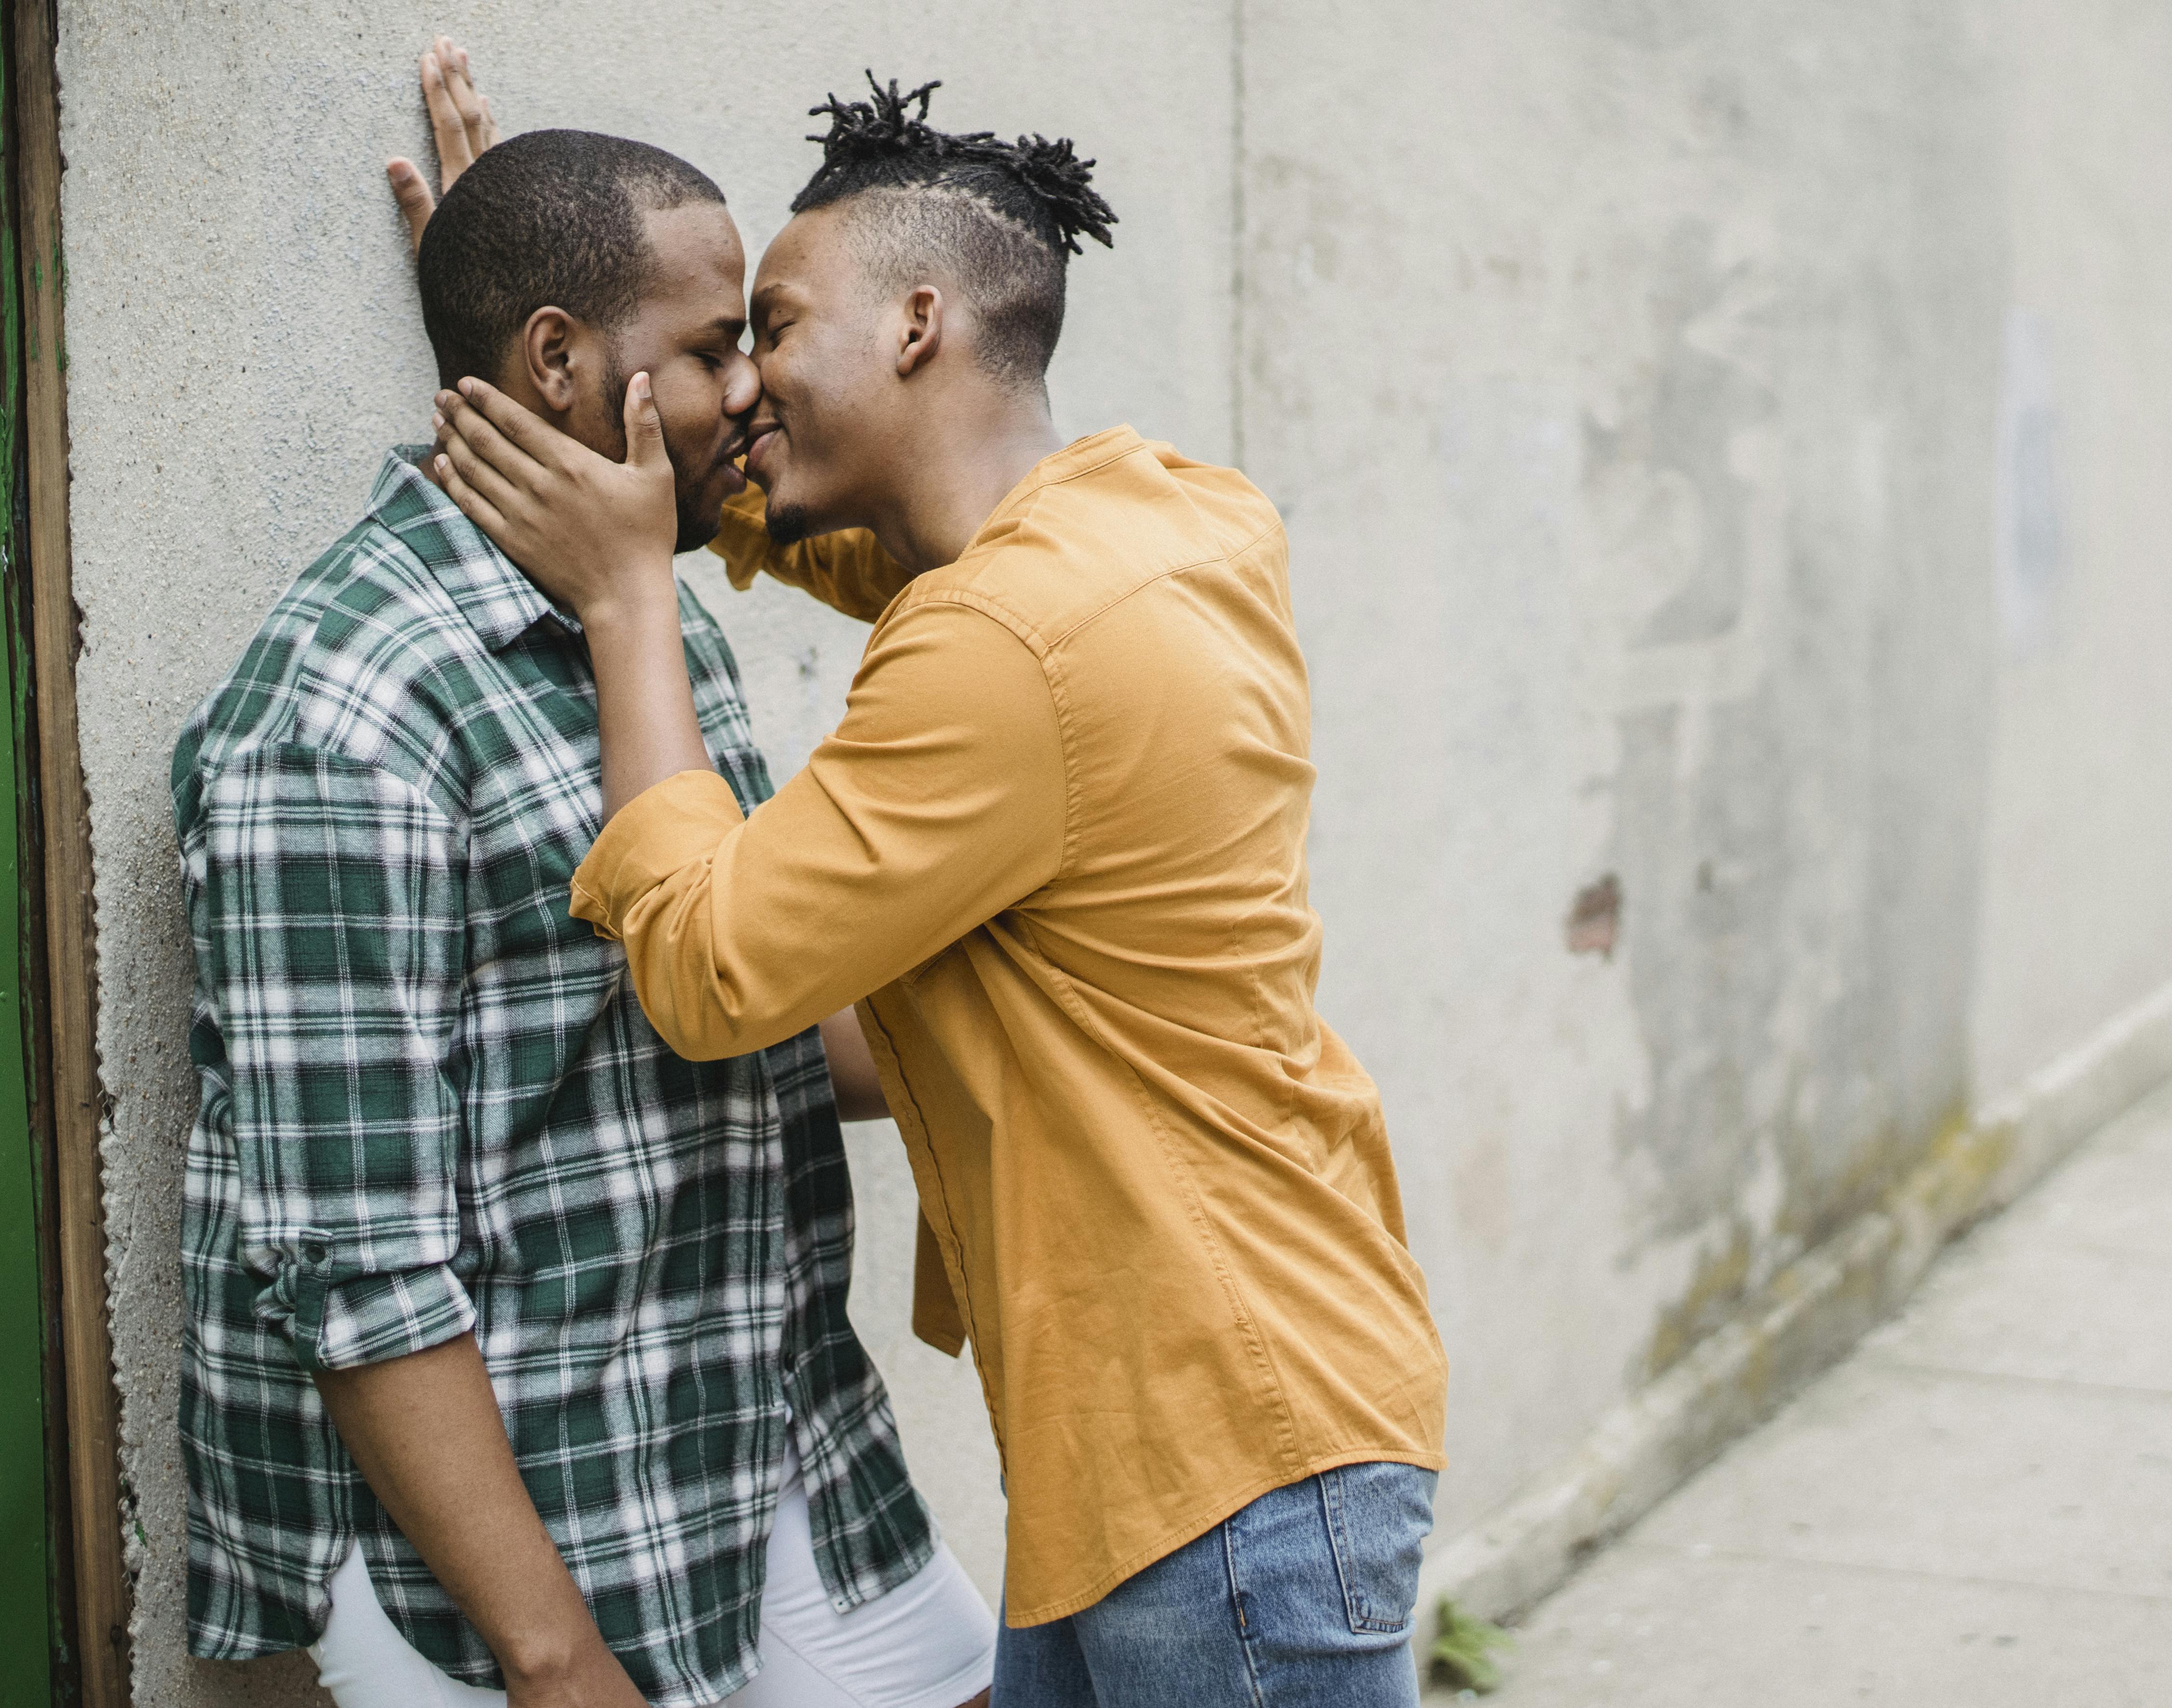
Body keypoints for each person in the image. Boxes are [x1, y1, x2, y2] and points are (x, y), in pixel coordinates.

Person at [425, 70, 1451, 1708]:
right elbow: (821, 530)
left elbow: (708, 967)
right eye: (718, 352)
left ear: (916, 322)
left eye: (771, 325)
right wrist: (556, 349)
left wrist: (627, 599)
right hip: (1192, 1443)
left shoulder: (1004, 650)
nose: (745, 380)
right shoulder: (1152, 523)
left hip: (1223, 1463)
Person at [175, 76, 996, 1708]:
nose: (753, 391)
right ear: (558, 362)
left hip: (756, 1433)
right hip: (500, 1549)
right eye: (710, 348)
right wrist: (549, 1657)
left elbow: (757, 1002)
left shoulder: (643, 610)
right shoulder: (340, 718)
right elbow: (356, 1254)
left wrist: (1056, 1017)